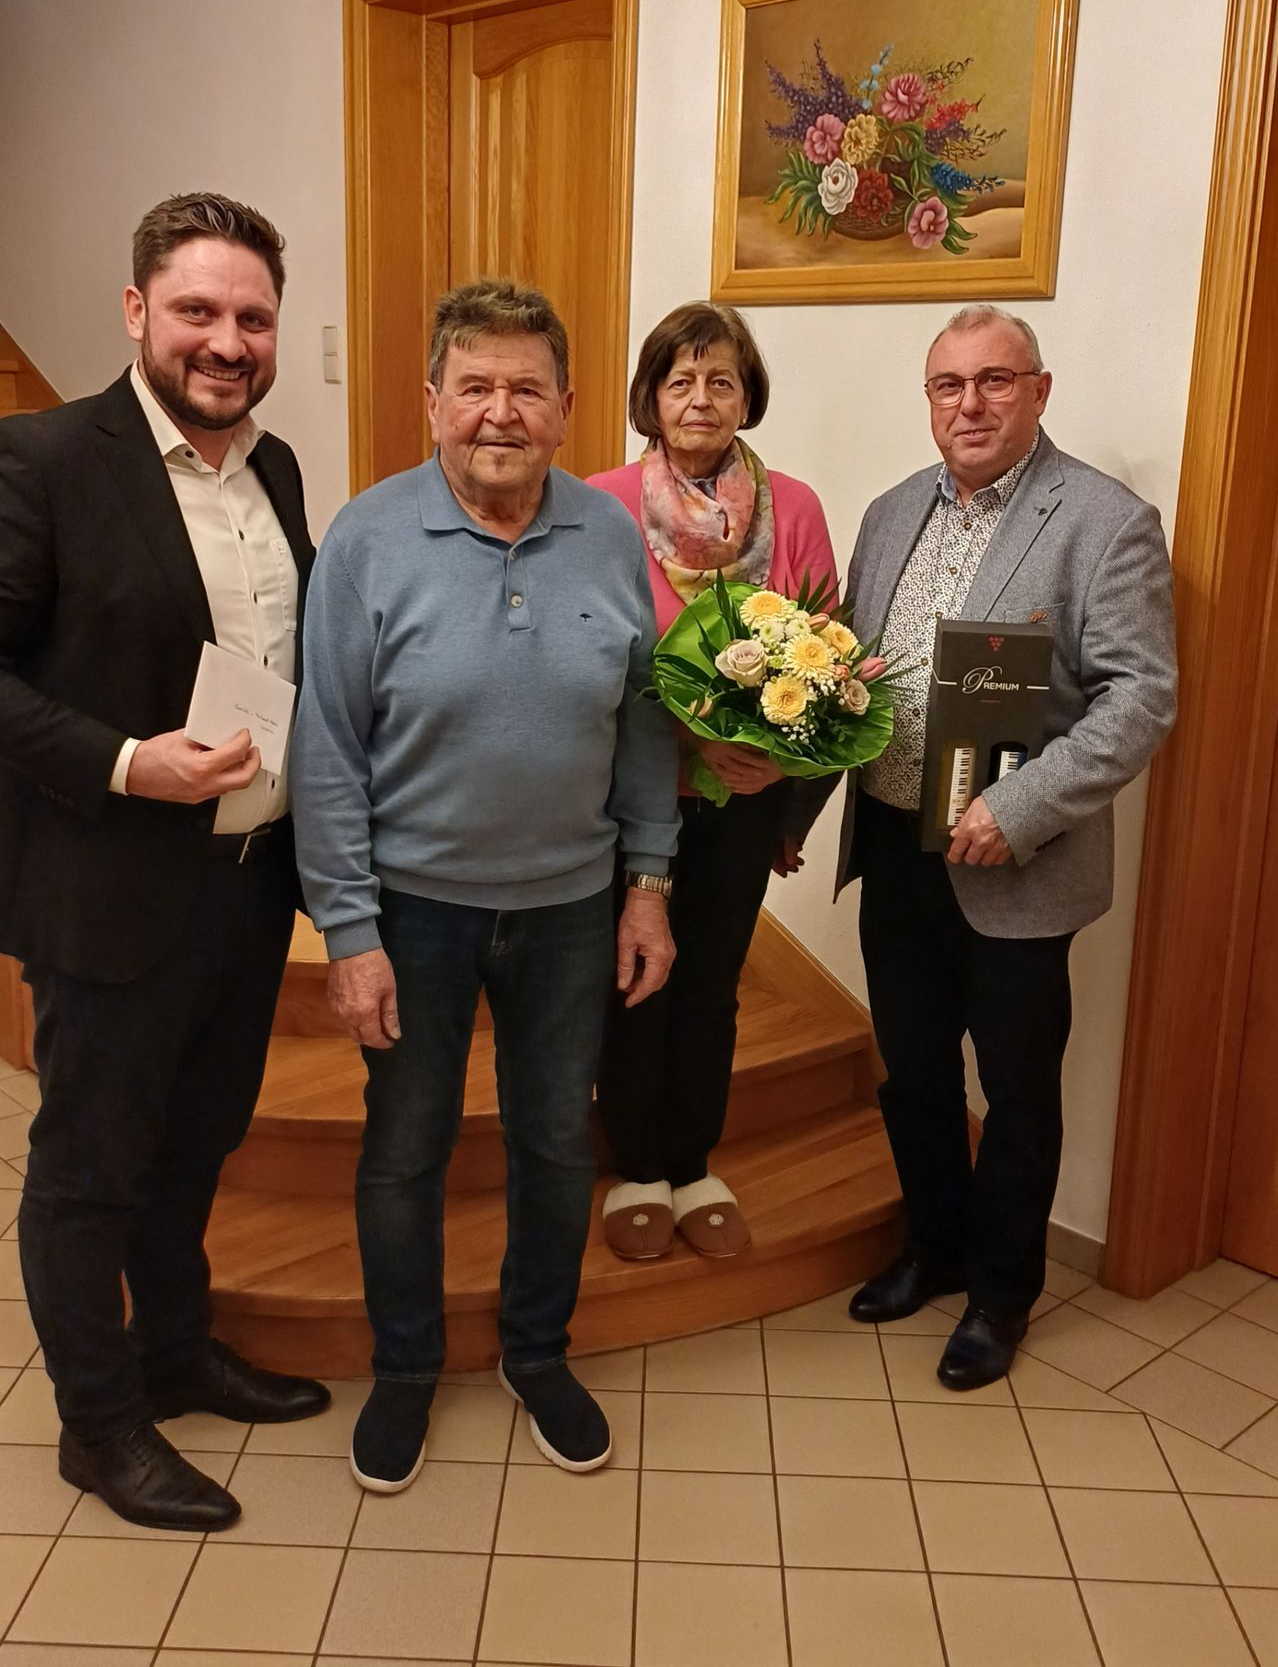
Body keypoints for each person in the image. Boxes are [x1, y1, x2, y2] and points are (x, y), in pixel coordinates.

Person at [292, 277, 678, 1493]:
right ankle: (406, 1366)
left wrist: (650, 881)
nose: (498, 413)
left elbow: (648, 725)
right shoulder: (365, 537)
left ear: (566, 408)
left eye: (525, 389)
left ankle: (534, 1350)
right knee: (405, 1149)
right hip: (414, 914)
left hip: (570, 908)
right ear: (433, 403)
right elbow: (328, 752)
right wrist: (348, 930)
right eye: (475, 388)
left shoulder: (614, 534)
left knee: (557, 1142)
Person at [0, 192, 328, 1533]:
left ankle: (178, 1349)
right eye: (197, 309)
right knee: (90, 1166)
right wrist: (132, 760)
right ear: (137, 310)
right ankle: (99, 1422)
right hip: (109, 887)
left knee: (198, 1140)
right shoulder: (42, 458)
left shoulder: (279, 467)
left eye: (252, 316)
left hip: (245, 887)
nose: (227, 339)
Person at [815, 303, 1176, 1389]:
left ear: (1040, 391)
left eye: (994, 381)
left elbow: (1140, 697)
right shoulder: (888, 514)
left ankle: (1002, 1296)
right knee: (913, 1075)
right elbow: (851, 674)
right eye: (947, 386)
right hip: (892, 842)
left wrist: (1017, 810)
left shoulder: (1105, 521)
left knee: (1016, 1091)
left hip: (1012, 862)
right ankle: (932, 1250)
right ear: (928, 400)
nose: (968, 404)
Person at [589, 303, 837, 1261]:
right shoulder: (601, 502)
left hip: (746, 799)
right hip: (626, 798)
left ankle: (693, 1162)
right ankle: (635, 1165)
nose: (700, 398)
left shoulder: (798, 507)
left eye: (721, 379)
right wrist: (690, 750)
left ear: (748, 395)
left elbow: (828, 658)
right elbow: (588, 662)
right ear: (651, 396)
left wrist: (780, 759)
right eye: (680, 379)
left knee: (713, 982)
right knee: (631, 978)